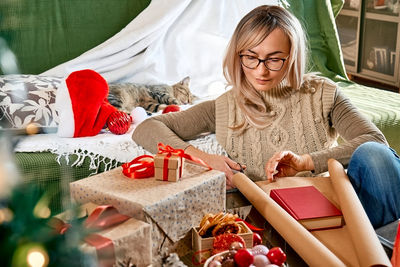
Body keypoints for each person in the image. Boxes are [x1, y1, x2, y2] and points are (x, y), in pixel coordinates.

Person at [133, 5, 397, 227]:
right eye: (251, 57)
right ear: (238, 56)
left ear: (292, 57)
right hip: (277, 220)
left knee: (374, 155)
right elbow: (147, 127)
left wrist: (306, 161)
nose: (261, 70)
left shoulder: (323, 93)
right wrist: (202, 158)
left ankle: (380, 249)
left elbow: (375, 141)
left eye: (274, 59)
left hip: (334, 208)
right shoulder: (222, 106)